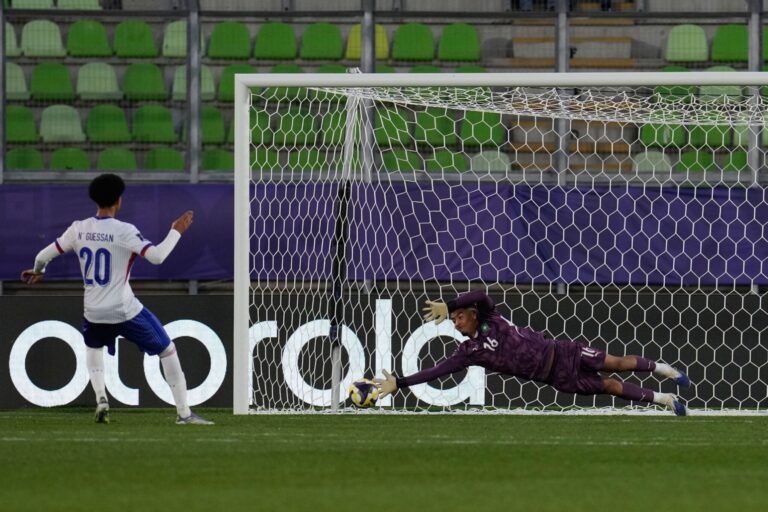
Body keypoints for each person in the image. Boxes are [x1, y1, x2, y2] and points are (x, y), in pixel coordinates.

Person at [21, 174, 213, 425]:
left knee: (93, 347)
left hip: (93, 310)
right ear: (118, 201)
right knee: (167, 349)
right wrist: (175, 231)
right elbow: (157, 257)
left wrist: (39, 271)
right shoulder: (125, 231)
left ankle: (101, 398)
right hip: (125, 310)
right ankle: (184, 414)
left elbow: (42, 255)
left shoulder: (78, 228)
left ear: (95, 200)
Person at [375, 290, 691, 415]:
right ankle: (665, 400)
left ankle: (666, 370)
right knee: (610, 387)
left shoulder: (490, 317)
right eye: (453, 319)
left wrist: (450, 303)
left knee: (617, 364)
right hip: (554, 377)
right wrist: (399, 383)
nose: (456, 322)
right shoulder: (469, 351)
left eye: (459, 316)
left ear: (471, 314)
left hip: (563, 352)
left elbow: (481, 295)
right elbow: (437, 371)